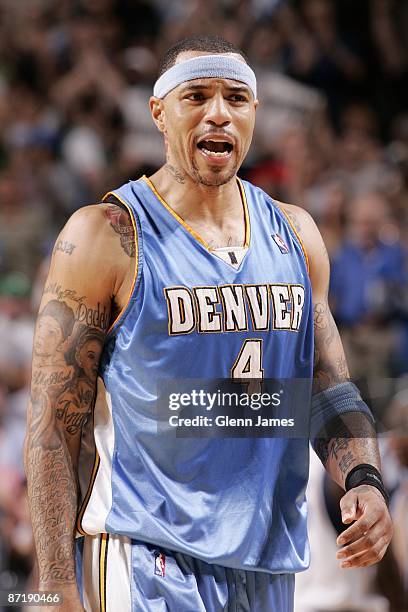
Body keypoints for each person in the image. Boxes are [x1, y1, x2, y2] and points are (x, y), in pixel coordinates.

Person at [24, 35, 393, 612]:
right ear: (158, 114)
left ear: (253, 115)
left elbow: (327, 387)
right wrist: (50, 586)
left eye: (236, 99)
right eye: (196, 96)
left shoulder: (296, 235)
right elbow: (52, 429)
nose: (218, 112)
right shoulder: (107, 235)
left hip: (267, 559)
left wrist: (365, 481)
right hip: (147, 553)